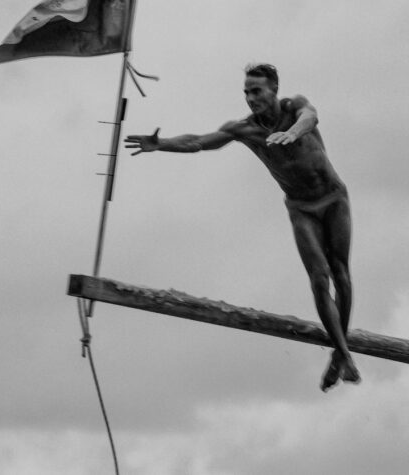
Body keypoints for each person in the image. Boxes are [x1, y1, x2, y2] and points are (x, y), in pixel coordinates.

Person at [125, 63, 360, 391]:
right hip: (301, 208)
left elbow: (311, 117)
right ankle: (345, 355)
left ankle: (339, 354)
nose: (251, 98)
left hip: (334, 198)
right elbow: (199, 141)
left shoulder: (295, 108)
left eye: (257, 91)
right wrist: (160, 144)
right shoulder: (245, 130)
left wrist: (292, 132)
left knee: (340, 272)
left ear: (274, 89)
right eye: (247, 92)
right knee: (319, 278)